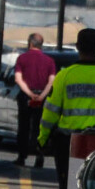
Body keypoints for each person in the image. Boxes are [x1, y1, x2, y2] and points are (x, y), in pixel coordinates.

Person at [41, 28, 95, 161]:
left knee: (70, 181)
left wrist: (42, 139)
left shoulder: (64, 76)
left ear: (77, 47)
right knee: (93, 181)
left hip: (69, 142)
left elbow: (50, 112)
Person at [11, 31, 57, 169]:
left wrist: (30, 94)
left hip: (26, 97)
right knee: (39, 128)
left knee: (24, 126)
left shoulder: (22, 59)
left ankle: (22, 156)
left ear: (29, 43)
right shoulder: (49, 61)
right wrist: (42, 96)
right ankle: (39, 156)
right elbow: (51, 82)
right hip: (42, 98)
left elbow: (18, 79)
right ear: (41, 45)